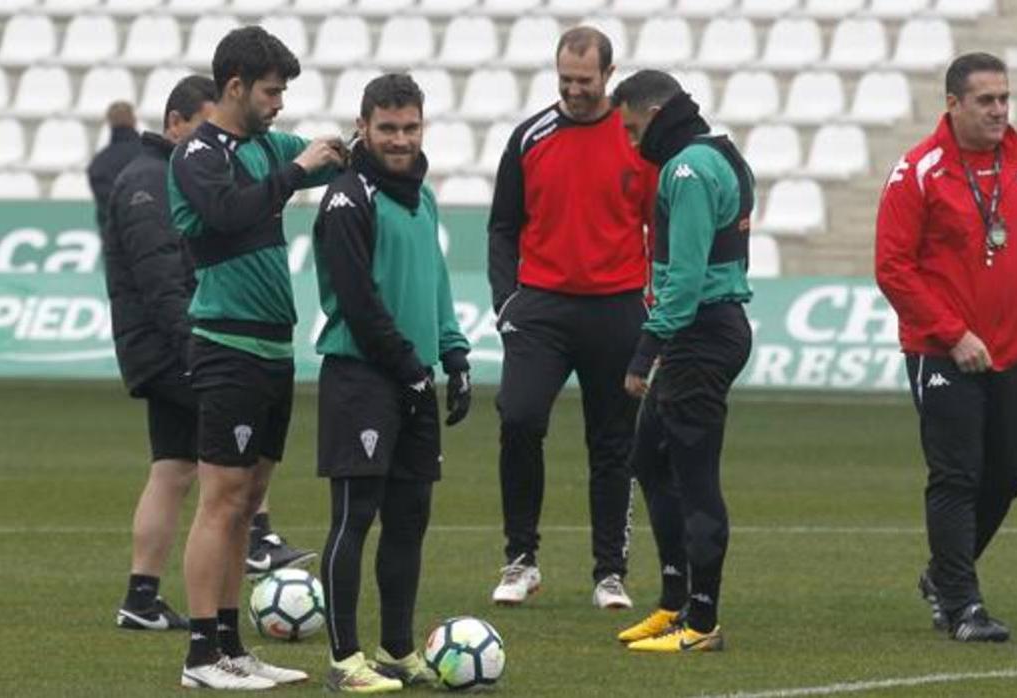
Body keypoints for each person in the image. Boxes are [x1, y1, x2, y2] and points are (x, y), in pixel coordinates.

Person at [875, 52, 1017, 643]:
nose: (999, 110)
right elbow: (893, 269)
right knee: (957, 475)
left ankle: (944, 574)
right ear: (953, 104)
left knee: (1007, 475)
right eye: (986, 100)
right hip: (942, 352)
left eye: (1004, 99)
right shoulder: (918, 171)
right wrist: (952, 333)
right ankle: (963, 606)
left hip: (1015, 348)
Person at [167, 26, 345, 689]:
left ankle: (233, 647)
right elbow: (228, 211)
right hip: (226, 346)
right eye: (272, 91)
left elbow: (329, 158)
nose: (279, 104)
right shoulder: (197, 155)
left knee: (248, 502)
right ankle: (199, 655)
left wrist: (357, 145)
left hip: (273, 348)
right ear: (235, 86)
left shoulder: (269, 145)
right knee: (219, 500)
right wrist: (299, 171)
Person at [104, 75, 314, 634]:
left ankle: (141, 597)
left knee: (173, 469)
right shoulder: (151, 180)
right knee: (231, 464)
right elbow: (162, 277)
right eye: (201, 124)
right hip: (176, 344)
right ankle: (258, 543)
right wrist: (191, 347)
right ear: (175, 123)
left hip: (162, 344)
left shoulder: (157, 174)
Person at [313, 73, 472, 694]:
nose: (400, 140)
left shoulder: (421, 197)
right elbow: (358, 301)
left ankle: (397, 652)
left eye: (410, 128)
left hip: (412, 378)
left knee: (409, 518)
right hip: (361, 377)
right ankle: (345, 660)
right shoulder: (349, 199)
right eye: (387, 129)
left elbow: (433, 282)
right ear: (363, 128)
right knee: (355, 517)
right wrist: (409, 368)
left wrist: (453, 354)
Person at [487, 26, 655, 609]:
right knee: (520, 417)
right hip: (542, 306)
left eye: (584, 81)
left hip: (617, 306)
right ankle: (520, 560)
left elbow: (657, 223)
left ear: (608, 75)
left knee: (612, 443)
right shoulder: (530, 136)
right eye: (565, 80)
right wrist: (505, 301)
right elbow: (503, 225)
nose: (575, 90)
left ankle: (610, 573)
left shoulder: (635, 138)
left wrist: (651, 301)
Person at [609, 70, 754, 653]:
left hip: (700, 332)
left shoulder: (688, 170)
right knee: (650, 458)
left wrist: (646, 349)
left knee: (695, 480)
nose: (632, 142)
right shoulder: (722, 154)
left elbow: (687, 277)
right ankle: (674, 603)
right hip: (707, 331)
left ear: (657, 112)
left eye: (634, 128)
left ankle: (701, 623)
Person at [89, 101, 142, 232]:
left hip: (115, 236)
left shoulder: (99, 162)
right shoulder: (151, 153)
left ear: (109, 122)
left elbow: (104, 208)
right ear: (134, 120)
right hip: (150, 234)